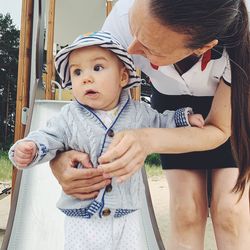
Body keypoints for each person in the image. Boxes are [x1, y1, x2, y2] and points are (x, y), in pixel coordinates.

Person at [50, 1, 250, 249]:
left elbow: (219, 128)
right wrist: (60, 154)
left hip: (231, 107)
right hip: (170, 102)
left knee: (231, 210)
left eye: (149, 48)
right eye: (134, 30)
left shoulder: (243, 42)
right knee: (186, 210)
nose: (131, 48)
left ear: (202, 47)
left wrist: (149, 138)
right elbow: (94, 98)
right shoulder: (123, 18)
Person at [9, 31, 204, 250]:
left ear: (123, 77)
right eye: (77, 72)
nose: (86, 78)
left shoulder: (138, 113)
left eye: (97, 68)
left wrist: (182, 118)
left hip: (126, 214)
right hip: (83, 217)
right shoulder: (69, 117)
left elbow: (161, 122)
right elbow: (48, 136)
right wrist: (32, 148)